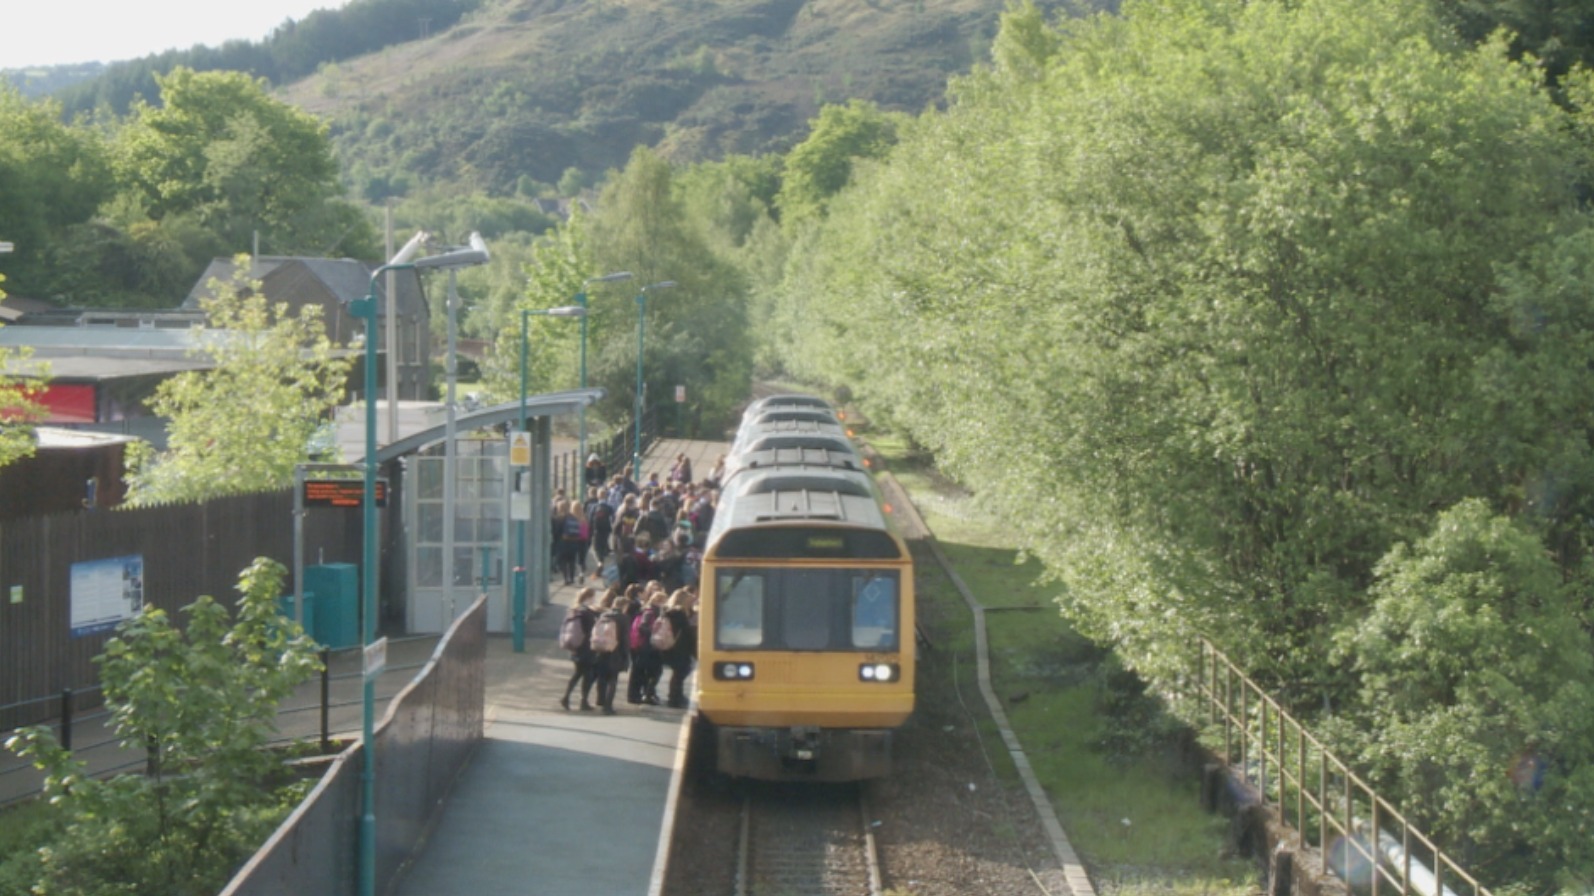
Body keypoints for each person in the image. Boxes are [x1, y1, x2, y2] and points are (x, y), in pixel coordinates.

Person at [559, 589, 599, 711]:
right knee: (587, 675)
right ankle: (583, 701)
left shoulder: (574, 611)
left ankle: (567, 697)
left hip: (575, 646)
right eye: (593, 596)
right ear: (588, 597)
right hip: (586, 647)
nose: (594, 599)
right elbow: (591, 630)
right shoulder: (587, 613)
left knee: (578, 673)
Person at [591, 592, 629, 715]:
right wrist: (626, 655)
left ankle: (600, 700)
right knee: (613, 679)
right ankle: (608, 706)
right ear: (624, 606)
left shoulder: (604, 615)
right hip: (615, 651)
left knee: (602, 676)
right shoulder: (623, 618)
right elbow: (624, 638)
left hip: (601, 649)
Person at [659, 588, 697, 709]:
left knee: (678, 672)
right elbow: (686, 631)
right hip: (680, 647)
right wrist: (694, 649)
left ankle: (675, 696)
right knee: (680, 672)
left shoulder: (667, 611)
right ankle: (675, 697)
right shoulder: (680, 613)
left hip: (670, 644)